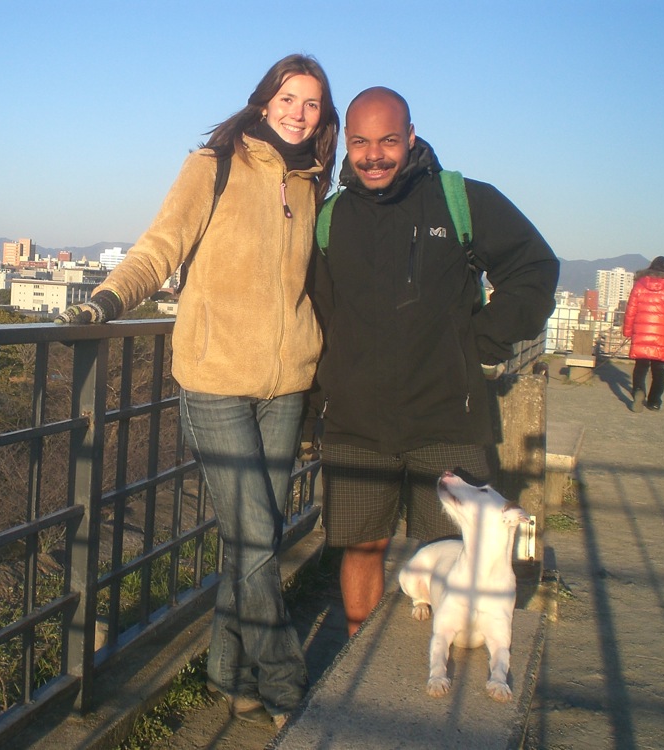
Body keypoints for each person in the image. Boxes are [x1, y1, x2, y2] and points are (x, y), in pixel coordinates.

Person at [55, 54, 339, 727]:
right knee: (257, 535)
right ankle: (285, 682)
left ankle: (224, 669)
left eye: (312, 104)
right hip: (213, 381)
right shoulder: (210, 168)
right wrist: (107, 299)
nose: (299, 112)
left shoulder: (311, 186)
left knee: (252, 539)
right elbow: (161, 247)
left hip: (285, 385)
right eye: (288, 97)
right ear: (264, 100)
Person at [307, 86, 559, 638]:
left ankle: (444, 674)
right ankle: (354, 667)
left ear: (412, 137)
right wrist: (313, 404)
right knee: (361, 545)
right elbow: (319, 318)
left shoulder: (461, 199)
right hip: (356, 419)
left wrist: (483, 342)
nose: (374, 155)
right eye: (361, 143)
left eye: (389, 141)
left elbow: (534, 266)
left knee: (453, 545)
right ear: (347, 146)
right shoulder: (331, 219)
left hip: (448, 410)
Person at [623, 256, 664, 411]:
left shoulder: (640, 285)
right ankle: (654, 402)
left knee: (640, 367)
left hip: (641, 334)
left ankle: (639, 391)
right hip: (662, 337)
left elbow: (630, 311)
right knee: (658, 371)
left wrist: (627, 331)